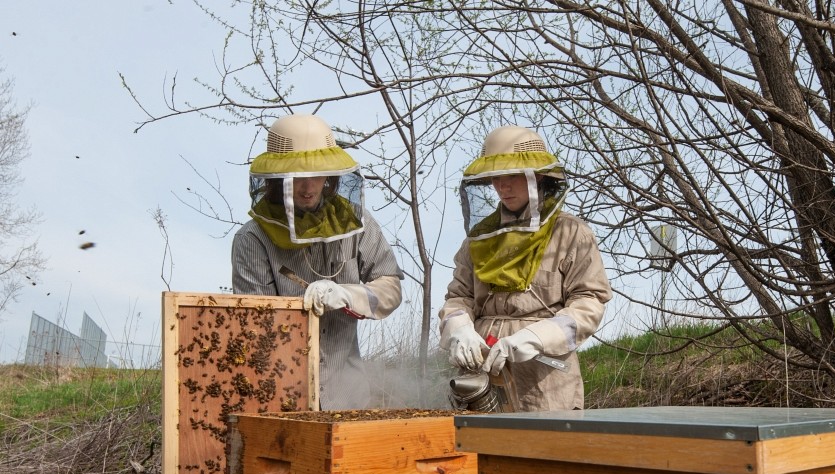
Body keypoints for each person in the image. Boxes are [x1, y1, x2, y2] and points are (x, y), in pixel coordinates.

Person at [232, 113, 403, 409]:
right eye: (297, 177)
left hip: (348, 395)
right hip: (282, 395)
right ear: (277, 179)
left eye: (317, 174)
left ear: (331, 175)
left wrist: (349, 294)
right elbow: (256, 326)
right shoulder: (253, 238)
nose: (308, 187)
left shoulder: (355, 223)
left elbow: (390, 287)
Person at [438, 125, 612, 411]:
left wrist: (536, 337)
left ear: (538, 176)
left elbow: (589, 303)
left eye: (512, 176)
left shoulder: (571, 234)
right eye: (495, 177)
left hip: (545, 379)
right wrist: (459, 327)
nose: (502, 186)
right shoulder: (479, 239)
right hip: (481, 375)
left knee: (542, 453)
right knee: (478, 454)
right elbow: (459, 296)